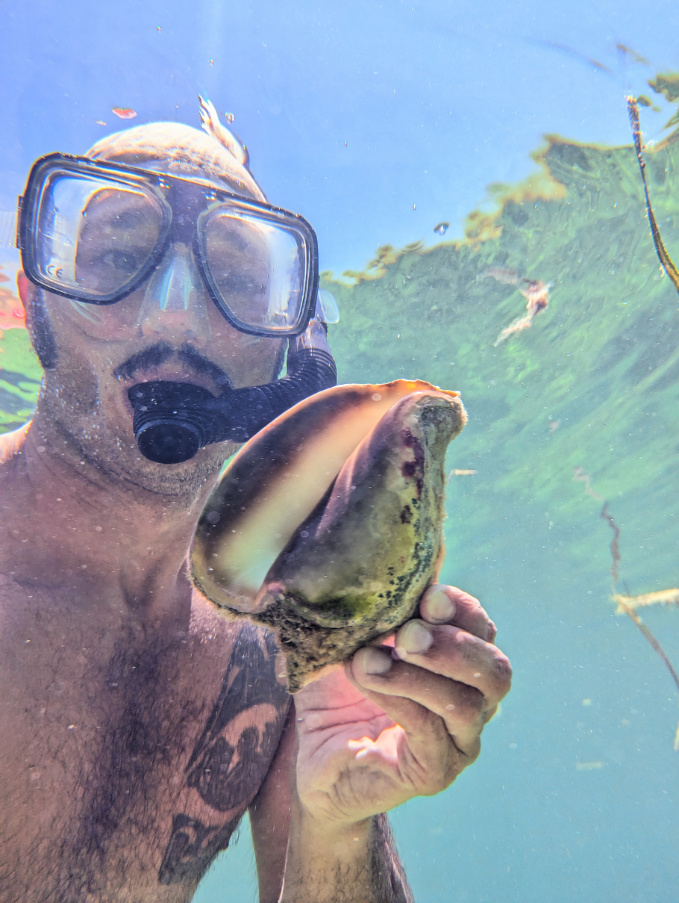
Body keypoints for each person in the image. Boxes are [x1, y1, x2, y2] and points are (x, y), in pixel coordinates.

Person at [0, 102, 511, 903]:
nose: (174, 310)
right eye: (116, 257)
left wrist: (336, 821)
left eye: (235, 277)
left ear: (288, 344)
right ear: (30, 298)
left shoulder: (277, 634)